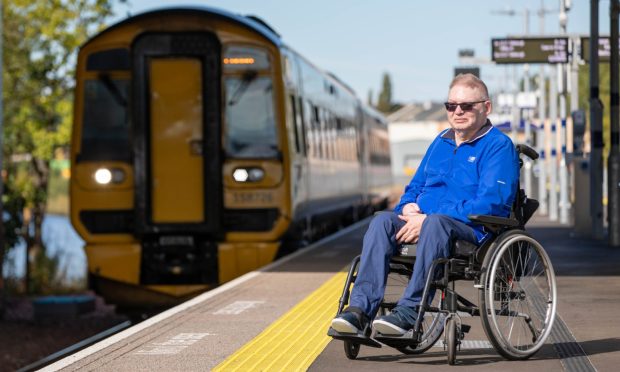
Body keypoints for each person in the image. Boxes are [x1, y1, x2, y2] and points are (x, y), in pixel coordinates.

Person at [330, 73, 519, 336]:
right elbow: (415, 186)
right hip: (428, 223)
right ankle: (359, 311)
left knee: (436, 223)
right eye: (451, 106)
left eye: (467, 106)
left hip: (472, 232)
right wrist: (407, 207)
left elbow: (490, 204)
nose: (458, 112)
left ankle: (410, 310)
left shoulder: (498, 146)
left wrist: (428, 218)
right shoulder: (440, 141)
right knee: (382, 221)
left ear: (486, 107)